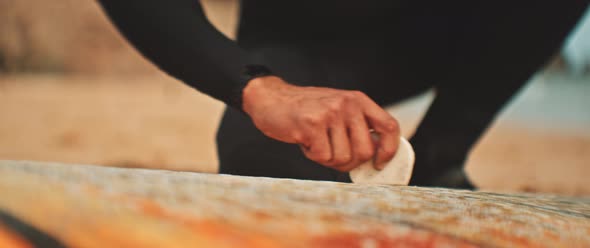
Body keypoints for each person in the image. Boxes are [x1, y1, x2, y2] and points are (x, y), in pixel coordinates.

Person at [97, 0, 588, 189]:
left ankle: (441, 153)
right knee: (266, 171)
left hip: (446, 33)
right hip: (301, 45)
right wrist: (259, 87)